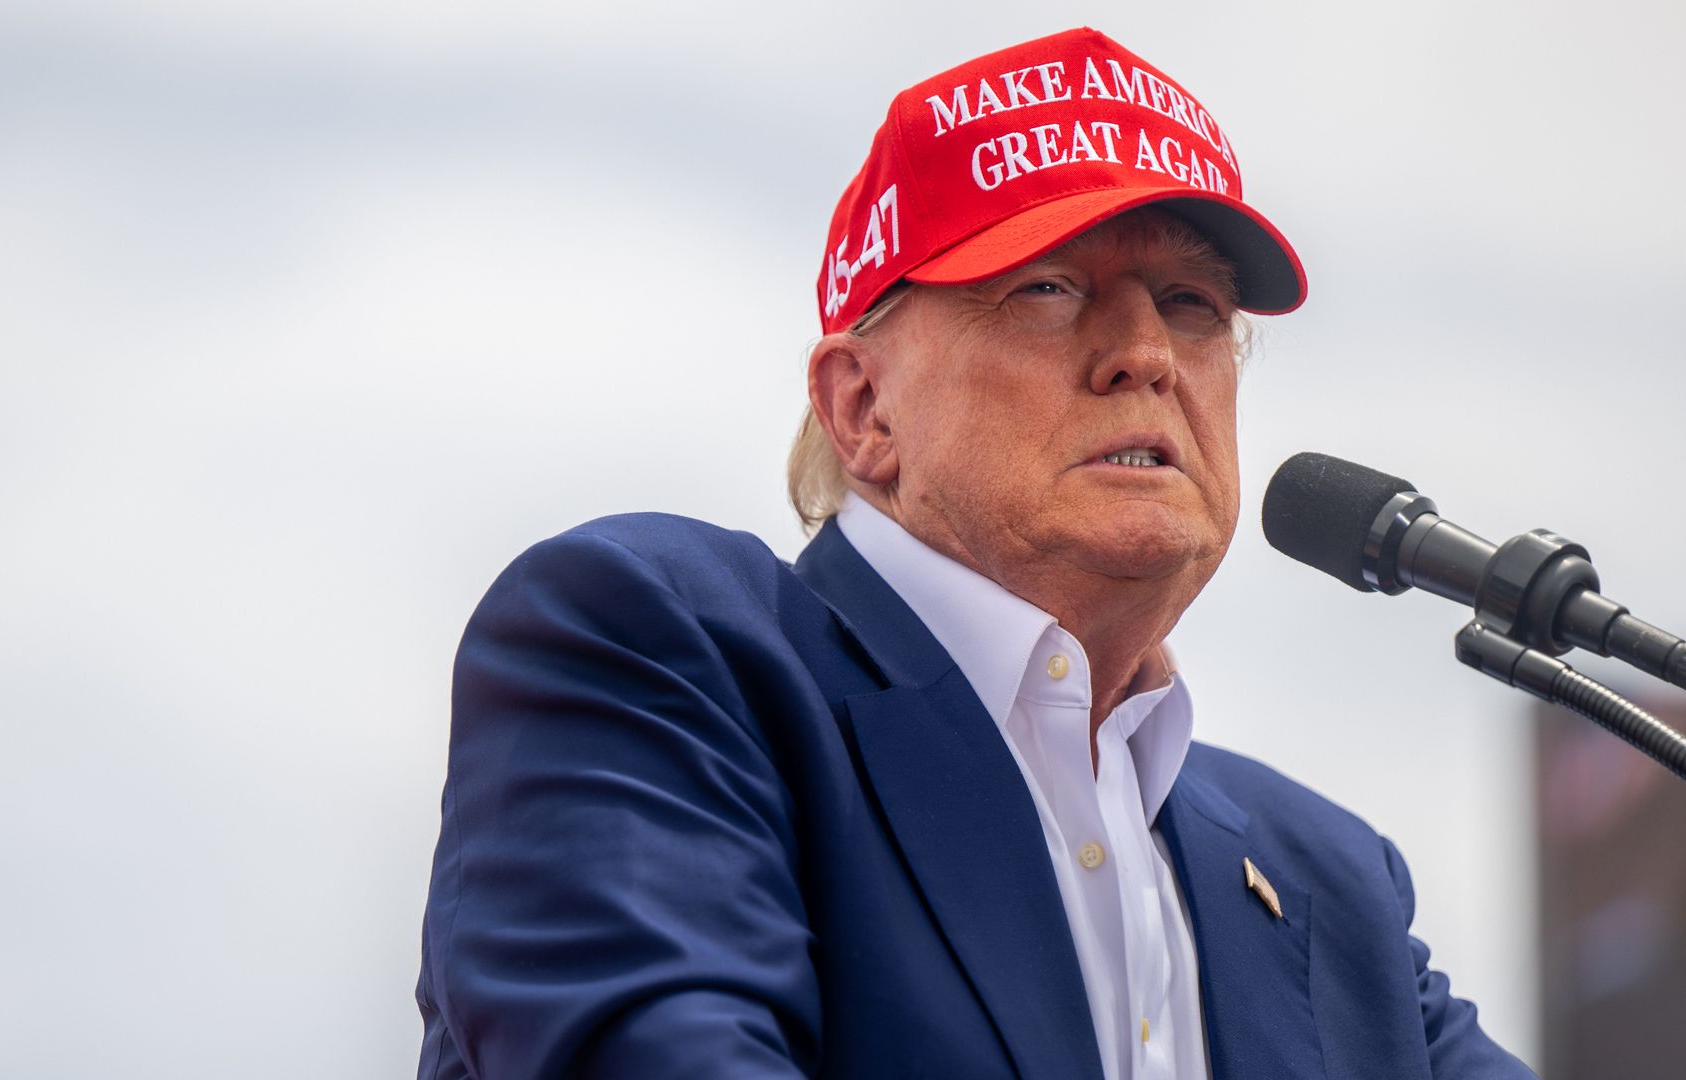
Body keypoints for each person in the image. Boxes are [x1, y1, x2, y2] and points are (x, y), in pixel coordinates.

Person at [416, 27, 1535, 1079]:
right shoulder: (656, 654)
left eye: (1193, 304)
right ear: (862, 407)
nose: (1145, 353)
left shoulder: (1333, 881)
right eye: (1049, 289)